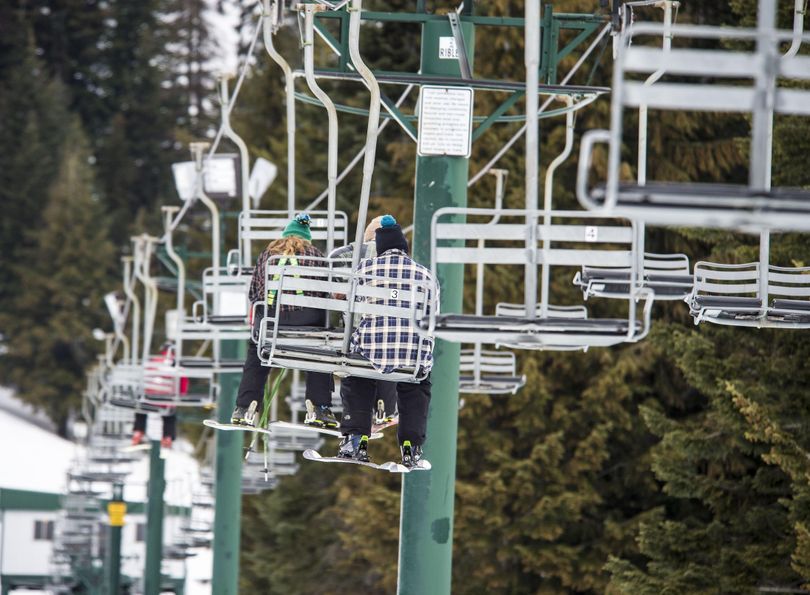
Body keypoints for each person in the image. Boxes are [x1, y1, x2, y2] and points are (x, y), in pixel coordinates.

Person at [337, 215, 437, 468]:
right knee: (416, 384)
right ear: (404, 248)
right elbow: (432, 315)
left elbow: (351, 311)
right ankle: (410, 446)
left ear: (379, 247)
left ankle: (355, 439)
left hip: (374, 349)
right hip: (413, 352)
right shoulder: (425, 275)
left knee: (357, 377)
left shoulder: (365, 270)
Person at [231, 213, 337, 427]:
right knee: (320, 352)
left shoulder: (268, 255)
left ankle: (245, 407)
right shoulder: (315, 255)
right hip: (307, 320)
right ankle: (319, 407)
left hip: (271, 321)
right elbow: (327, 292)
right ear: (306, 237)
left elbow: (254, 293)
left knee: (257, 353)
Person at [328, 215, 397, 426]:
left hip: (355, 332)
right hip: (387, 333)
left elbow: (334, 294)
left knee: (353, 370)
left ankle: (354, 422)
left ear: (366, 236)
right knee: (390, 354)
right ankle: (385, 408)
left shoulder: (344, 255)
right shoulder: (400, 261)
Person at [132, 342, 187, 449]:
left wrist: (147, 391)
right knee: (169, 416)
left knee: (141, 411)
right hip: (166, 401)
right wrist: (179, 395)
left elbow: (143, 378)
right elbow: (183, 382)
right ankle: (167, 436)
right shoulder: (177, 365)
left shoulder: (153, 362)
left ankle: (138, 431)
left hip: (149, 398)